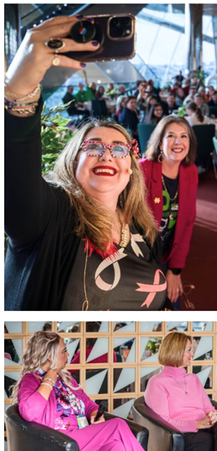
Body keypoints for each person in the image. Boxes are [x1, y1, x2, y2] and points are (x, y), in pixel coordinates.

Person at [5, 18, 165, 310]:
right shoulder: (49, 217)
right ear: (73, 161)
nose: (106, 154)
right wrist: (19, 87)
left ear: (130, 169)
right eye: (92, 147)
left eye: (119, 149)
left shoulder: (143, 229)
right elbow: (16, 166)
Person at [13, 330, 199, 451]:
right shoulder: (32, 380)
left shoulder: (66, 380)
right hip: (58, 447)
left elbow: (89, 404)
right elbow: (30, 412)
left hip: (82, 443)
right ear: (50, 355)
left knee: (117, 449)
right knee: (117, 425)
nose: (68, 355)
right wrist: (50, 377)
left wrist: (94, 414)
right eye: (63, 351)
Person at [141, 116, 198, 310]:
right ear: (160, 141)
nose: (178, 142)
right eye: (171, 136)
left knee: (174, 305)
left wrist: (175, 270)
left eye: (184, 136)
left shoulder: (190, 171)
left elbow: (188, 222)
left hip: (167, 255)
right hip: (140, 258)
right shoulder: (144, 170)